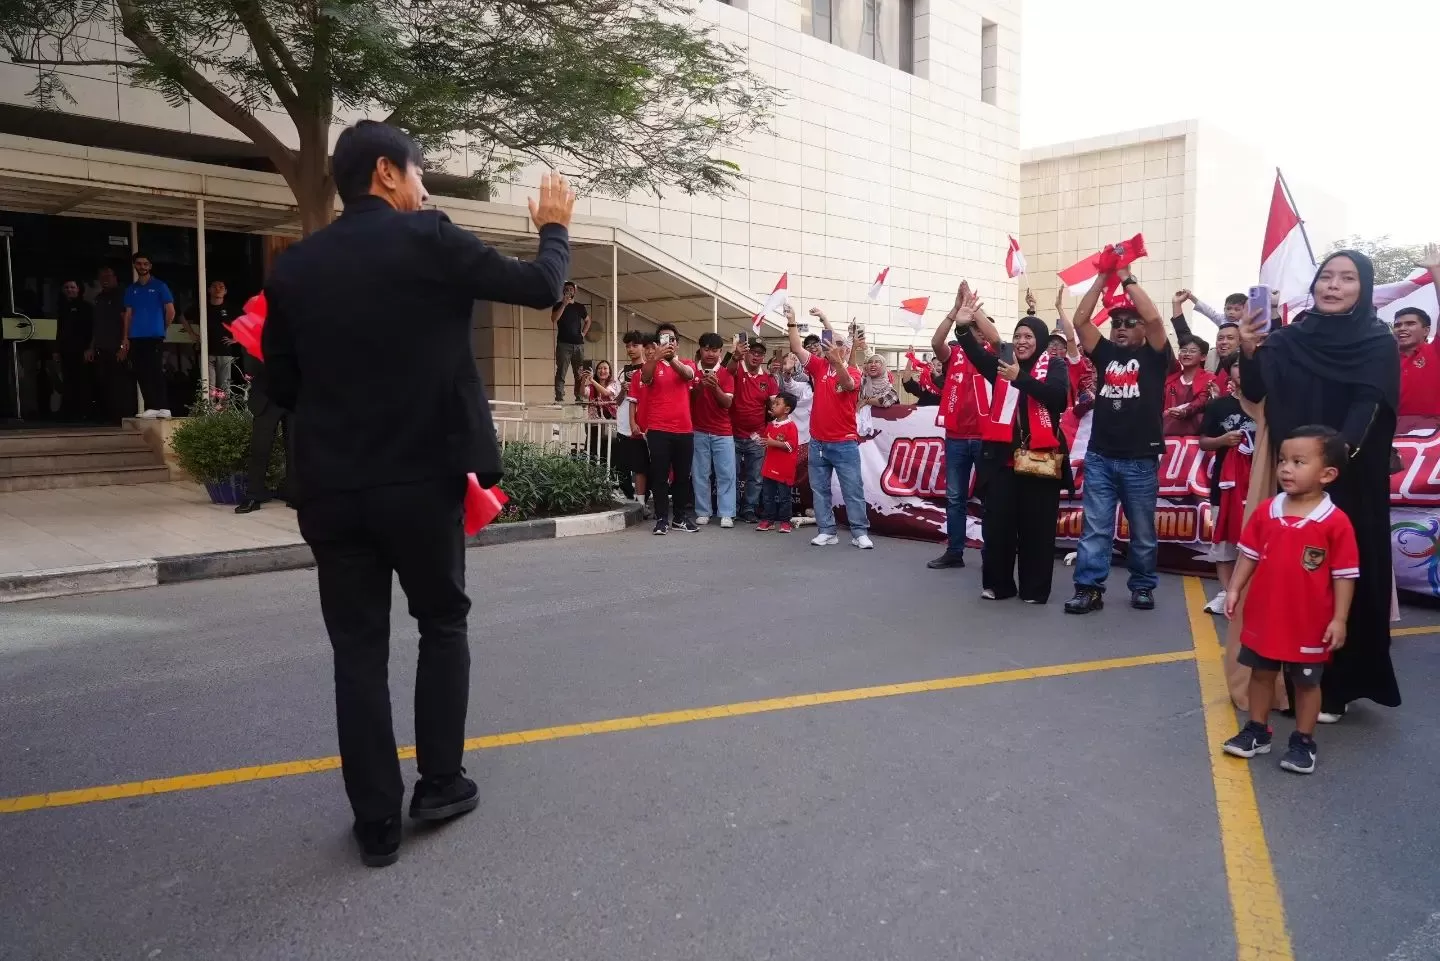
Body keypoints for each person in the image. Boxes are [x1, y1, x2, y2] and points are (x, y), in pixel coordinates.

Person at [260, 120, 573, 867]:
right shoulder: (430, 239)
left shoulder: (293, 268)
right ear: (385, 173)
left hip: (333, 491)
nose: (425, 187)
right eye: (419, 172)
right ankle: (439, 783)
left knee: (358, 652)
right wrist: (555, 229)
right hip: (421, 481)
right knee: (441, 622)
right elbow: (540, 287)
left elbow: (281, 385)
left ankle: (375, 823)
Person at [1237, 249, 1401, 722]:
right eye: (1326, 276)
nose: (1333, 286)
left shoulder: (1376, 341)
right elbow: (1258, 390)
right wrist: (1248, 349)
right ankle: (1286, 683)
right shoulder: (1290, 337)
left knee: (1338, 577)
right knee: (1291, 577)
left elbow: (1369, 404)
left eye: (1347, 279)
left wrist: (1331, 462)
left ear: (1363, 288)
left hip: (1347, 478)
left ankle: (1338, 686)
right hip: (1293, 472)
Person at [1221, 426, 1359, 775]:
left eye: (1299, 462)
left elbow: (1345, 575)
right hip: (1265, 615)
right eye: (1282, 460)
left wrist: (1339, 619)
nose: (1285, 468)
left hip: (1309, 622)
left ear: (1327, 474)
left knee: (1307, 682)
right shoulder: (1267, 510)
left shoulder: (1336, 522)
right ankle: (1257, 730)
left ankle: (1303, 740)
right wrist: (1234, 588)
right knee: (1260, 674)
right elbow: (1249, 554)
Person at [1064, 264, 1171, 614]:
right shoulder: (1106, 352)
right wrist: (1101, 277)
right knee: (1095, 529)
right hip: (1100, 457)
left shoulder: (1155, 355)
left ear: (1142, 329)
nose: (1121, 327)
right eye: (1116, 323)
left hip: (1140, 460)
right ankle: (1089, 589)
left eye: (1129, 322)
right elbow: (1080, 321)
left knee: (1142, 531)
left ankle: (1142, 586)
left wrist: (1125, 276)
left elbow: (1154, 318)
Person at [955, 296, 1071, 602]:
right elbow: (975, 352)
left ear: (1040, 340)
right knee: (998, 529)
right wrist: (963, 327)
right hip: (1001, 463)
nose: (1021, 341)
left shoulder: (1055, 365)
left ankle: (1034, 589)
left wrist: (1020, 378)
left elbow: (1057, 398)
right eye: (1017, 336)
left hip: (1040, 461)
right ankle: (998, 585)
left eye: (1028, 336)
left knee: (1037, 530)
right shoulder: (1002, 364)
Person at [785, 304, 872, 549]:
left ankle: (859, 532)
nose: (834, 347)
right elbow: (796, 348)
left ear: (846, 350)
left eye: (840, 345)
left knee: (852, 489)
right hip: (819, 443)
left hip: (844, 443)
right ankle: (827, 531)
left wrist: (838, 362)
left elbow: (847, 384)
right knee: (820, 489)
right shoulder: (819, 366)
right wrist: (792, 321)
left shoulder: (854, 371)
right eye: (832, 344)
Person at [926, 281, 999, 570]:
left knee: (990, 498)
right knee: (955, 497)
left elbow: (996, 339)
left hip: (985, 436)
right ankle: (954, 552)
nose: (977, 331)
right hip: (956, 436)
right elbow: (936, 343)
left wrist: (974, 310)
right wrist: (955, 310)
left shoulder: (995, 355)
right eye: (973, 327)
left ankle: (993, 553)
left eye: (981, 327)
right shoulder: (956, 353)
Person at [1197, 357, 1256, 614]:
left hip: (1260, 485)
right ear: (1230, 373)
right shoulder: (1218, 406)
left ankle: (1253, 594)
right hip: (1225, 485)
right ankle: (1226, 591)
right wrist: (1222, 440)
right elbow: (1203, 442)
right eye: (1237, 366)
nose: (1242, 371)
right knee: (1224, 544)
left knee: (1256, 542)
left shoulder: (1269, 405)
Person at [642, 322, 699, 535]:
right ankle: (661, 519)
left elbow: (688, 375)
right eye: (664, 339)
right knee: (660, 476)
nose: (669, 343)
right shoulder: (652, 364)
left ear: (678, 343)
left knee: (682, 477)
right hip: (659, 430)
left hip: (684, 430)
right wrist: (657, 357)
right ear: (658, 343)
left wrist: (671, 358)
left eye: (672, 339)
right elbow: (645, 377)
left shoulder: (686, 362)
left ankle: (680, 519)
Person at [233, 344, 292, 515]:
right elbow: (250, 367)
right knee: (260, 448)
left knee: (296, 448)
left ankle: (294, 493)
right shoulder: (256, 334)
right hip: (266, 398)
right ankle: (254, 495)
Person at [729, 337, 778, 523]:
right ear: (746, 353)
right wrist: (735, 354)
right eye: (753, 352)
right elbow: (726, 370)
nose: (756, 356)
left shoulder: (769, 379)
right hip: (732, 433)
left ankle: (749, 509)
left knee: (755, 477)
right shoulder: (736, 369)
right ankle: (732, 508)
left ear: (764, 357)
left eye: (760, 354)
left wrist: (774, 411)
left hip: (757, 435)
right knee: (731, 475)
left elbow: (774, 405)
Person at [121, 252, 175, 418]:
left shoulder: (160, 286)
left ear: (150, 266)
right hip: (136, 336)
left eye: (145, 264)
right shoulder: (131, 289)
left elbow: (171, 311)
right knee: (141, 371)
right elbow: (128, 315)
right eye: (139, 263)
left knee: (155, 370)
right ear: (134, 265)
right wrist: (125, 337)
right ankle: (151, 407)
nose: (142, 266)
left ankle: (163, 407)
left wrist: (162, 328)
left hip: (154, 336)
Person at [691, 332, 736, 527]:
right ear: (700, 350)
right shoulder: (692, 372)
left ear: (721, 352)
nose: (710, 354)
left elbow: (727, 403)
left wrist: (715, 387)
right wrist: (700, 387)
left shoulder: (726, 373)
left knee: (726, 473)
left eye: (715, 350)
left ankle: (726, 513)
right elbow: (688, 401)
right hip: (698, 430)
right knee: (700, 473)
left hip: (723, 431)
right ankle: (703, 511)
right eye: (707, 349)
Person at [182, 279, 241, 397]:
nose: (218, 289)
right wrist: (191, 333)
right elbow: (182, 316)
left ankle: (224, 409)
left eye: (221, 287)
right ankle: (210, 408)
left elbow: (245, 323)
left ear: (225, 291)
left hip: (224, 351)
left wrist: (237, 339)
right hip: (206, 351)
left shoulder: (231, 309)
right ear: (209, 290)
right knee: (209, 386)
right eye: (214, 286)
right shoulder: (202, 307)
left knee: (224, 386)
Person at [88, 266, 131, 423]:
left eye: (108, 276)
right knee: (104, 383)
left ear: (115, 277)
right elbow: (96, 325)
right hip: (102, 347)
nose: (105, 280)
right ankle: (109, 416)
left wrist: (124, 345)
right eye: (102, 277)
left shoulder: (121, 295)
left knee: (119, 383)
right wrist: (91, 347)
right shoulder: (99, 298)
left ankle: (122, 416)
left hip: (117, 347)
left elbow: (126, 320)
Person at [755, 391, 799, 532]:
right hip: (769, 467)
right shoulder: (770, 425)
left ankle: (785, 522)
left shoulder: (791, 426)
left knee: (784, 497)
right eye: (773, 403)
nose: (773, 406)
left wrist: (773, 443)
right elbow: (767, 441)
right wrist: (760, 441)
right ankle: (768, 520)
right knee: (768, 495)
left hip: (784, 469)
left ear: (787, 409)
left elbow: (791, 445)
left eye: (777, 404)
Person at [615, 333, 648, 506]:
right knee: (622, 467)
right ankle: (629, 499)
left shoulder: (648, 369)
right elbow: (617, 401)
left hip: (641, 426)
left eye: (635, 345)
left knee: (642, 466)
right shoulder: (622, 372)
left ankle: (642, 500)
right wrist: (623, 390)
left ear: (643, 347)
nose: (630, 349)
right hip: (623, 427)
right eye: (628, 346)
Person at [55, 279, 93, 422]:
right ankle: (68, 412)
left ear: (79, 289)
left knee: (82, 381)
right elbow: (59, 330)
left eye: (72, 287)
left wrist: (89, 348)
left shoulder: (86, 307)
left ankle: (84, 412)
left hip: (82, 350)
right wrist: (56, 349)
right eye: (66, 287)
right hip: (66, 350)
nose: (69, 290)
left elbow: (91, 329)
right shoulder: (62, 307)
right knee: (68, 380)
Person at [1162, 335, 1214, 436]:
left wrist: (1185, 412)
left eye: (1192, 351)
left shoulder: (1210, 379)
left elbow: (1202, 401)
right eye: (1183, 350)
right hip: (1167, 436)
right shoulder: (1169, 380)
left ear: (1203, 357)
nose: (1187, 354)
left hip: (1197, 437)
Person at [551, 281, 590, 404]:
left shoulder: (580, 307)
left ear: (575, 291)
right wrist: (564, 304)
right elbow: (554, 319)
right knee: (561, 371)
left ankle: (579, 397)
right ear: (563, 291)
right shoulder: (558, 305)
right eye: (566, 289)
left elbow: (588, 320)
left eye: (571, 289)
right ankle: (559, 397)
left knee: (579, 372)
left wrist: (583, 333)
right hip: (563, 344)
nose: (569, 291)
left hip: (578, 344)